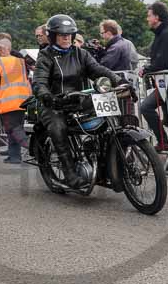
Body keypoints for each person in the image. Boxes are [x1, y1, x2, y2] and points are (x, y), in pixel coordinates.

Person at [32, 14, 125, 188]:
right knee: (58, 128)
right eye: (61, 35)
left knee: (109, 120)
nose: (66, 37)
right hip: (54, 104)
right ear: (52, 36)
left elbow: (98, 70)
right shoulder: (46, 56)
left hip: (79, 100)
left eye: (69, 34)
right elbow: (39, 82)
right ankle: (70, 173)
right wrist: (47, 97)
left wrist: (120, 82)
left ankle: (108, 164)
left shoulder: (81, 54)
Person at [139, 1, 168, 152]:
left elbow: (162, 61)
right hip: (165, 83)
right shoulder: (162, 33)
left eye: (149, 16)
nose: (147, 19)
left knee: (147, 107)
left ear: (156, 17)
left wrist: (146, 69)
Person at [0, 38, 31, 163]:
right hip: (23, 99)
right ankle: (14, 155)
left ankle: (35, 149)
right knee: (15, 128)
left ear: (1, 49)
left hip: (8, 101)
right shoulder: (20, 61)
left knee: (14, 129)